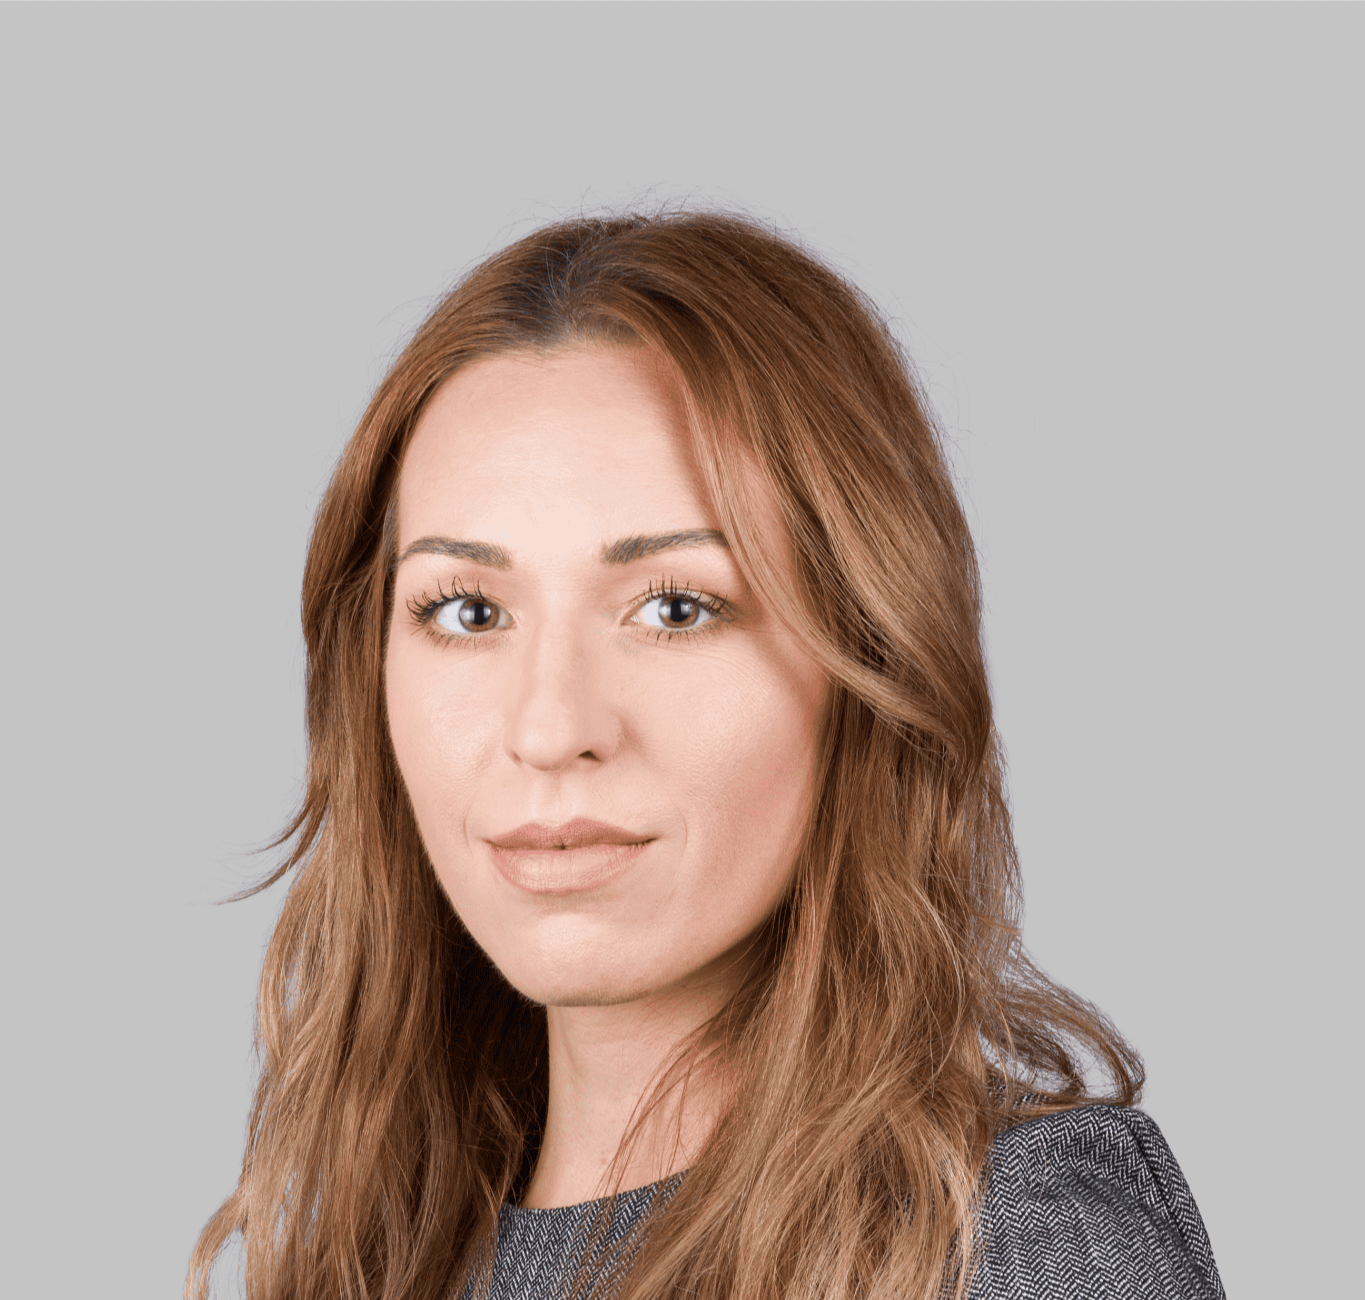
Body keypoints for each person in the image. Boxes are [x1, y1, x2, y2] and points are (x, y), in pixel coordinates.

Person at [188, 211, 1224, 1300]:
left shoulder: (1011, 1245)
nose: (549, 727)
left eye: (676, 607)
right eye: (468, 611)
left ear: (868, 661)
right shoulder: (378, 1254)